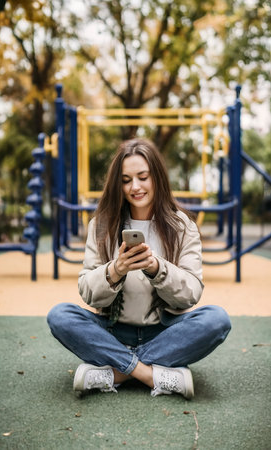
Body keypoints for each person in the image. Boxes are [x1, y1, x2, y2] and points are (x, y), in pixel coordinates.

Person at [47, 138, 231, 399]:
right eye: (125, 180)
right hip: (113, 330)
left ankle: (115, 373)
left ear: (156, 177)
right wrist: (115, 271)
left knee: (217, 320)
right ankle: (151, 375)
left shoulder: (183, 227)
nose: (135, 187)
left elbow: (191, 293)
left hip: (165, 331)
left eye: (143, 177)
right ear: (117, 185)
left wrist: (157, 268)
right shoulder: (102, 225)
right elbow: (87, 292)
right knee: (60, 316)